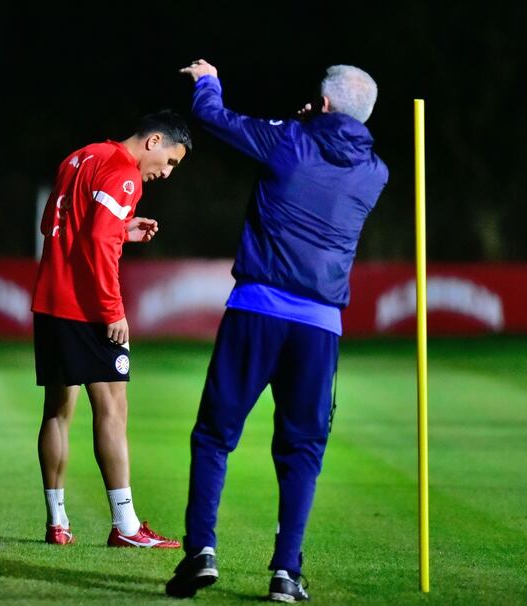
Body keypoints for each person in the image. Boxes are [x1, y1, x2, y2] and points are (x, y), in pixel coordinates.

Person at [166, 61, 388, 601]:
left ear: (324, 103)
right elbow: (332, 158)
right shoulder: (375, 172)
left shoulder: (290, 140)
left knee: (215, 435)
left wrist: (208, 79)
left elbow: (212, 116)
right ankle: (287, 572)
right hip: (319, 328)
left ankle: (200, 553)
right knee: (302, 449)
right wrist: (317, 122)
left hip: (258, 308)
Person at [31, 111, 191, 548]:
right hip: (86, 308)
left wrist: (124, 229)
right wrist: (113, 310)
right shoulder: (125, 173)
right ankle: (125, 526)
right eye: (170, 161)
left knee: (58, 411)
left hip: (50, 300)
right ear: (154, 140)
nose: (166, 173)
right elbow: (99, 244)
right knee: (113, 408)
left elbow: (62, 225)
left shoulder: (81, 156)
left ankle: (57, 521)